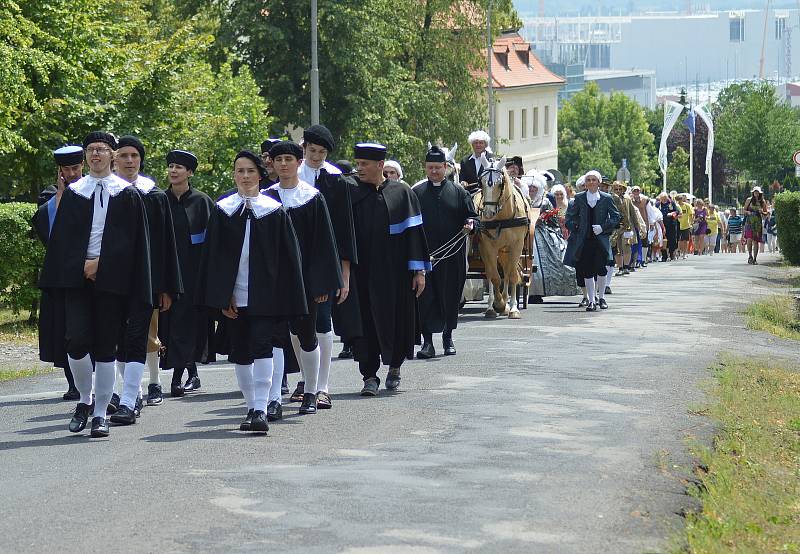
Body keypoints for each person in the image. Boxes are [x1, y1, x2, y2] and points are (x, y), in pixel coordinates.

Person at [39, 131, 152, 438]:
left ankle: (101, 413)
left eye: (101, 149)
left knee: (105, 347)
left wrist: (101, 265)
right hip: (78, 279)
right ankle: (85, 400)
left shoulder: (127, 194)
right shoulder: (77, 193)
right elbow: (62, 242)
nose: (96, 154)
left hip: (112, 280)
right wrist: (82, 266)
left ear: (111, 155)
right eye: (91, 150)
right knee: (75, 341)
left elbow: (133, 245)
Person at [195, 150, 307, 433]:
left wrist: (286, 296)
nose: (244, 176)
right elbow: (214, 258)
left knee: (262, 346)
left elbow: (289, 258)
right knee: (241, 352)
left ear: (260, 175)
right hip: (235, 294)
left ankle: (261, 408)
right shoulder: (223, 210)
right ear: (234, 175)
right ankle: (250, 407)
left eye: (249, 171)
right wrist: (223, 294)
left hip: (267, 296)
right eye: (239, 171)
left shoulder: (274, 211)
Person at [338, 143, 429, 395]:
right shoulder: (351, 192)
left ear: (380, 165)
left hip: (396, 274)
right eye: (357, 163)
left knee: (398, 321)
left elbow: (414, 235)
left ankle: (395, 366)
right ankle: (369, 376)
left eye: (364, 164)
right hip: (362, 273)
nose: (359, 169)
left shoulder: (402, 193)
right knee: (363, 324)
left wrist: (419, 272)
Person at [263, 141, 342, 415]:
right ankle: (272, 398)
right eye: (278, 159)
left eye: (289, 158)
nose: (283, 164)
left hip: (305, 282)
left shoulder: (312, 197)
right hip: (272, 281)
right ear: (271, 164)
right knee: (274, 338)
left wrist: (322, 284)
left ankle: (311, 390)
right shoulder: (265, 198)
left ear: (299, 162)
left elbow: (324, 245)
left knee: (306, 336)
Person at [109, 136, 183, 424]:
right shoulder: (108, 193)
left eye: (134, 156)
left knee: (139, 336)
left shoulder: (153, 195)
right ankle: (130, 391)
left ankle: (133, 396)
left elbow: (166, 243)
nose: (129, 160)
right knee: (115, 338)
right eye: (124, 155)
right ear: (115, 160)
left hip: (146, 279)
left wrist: (166, 286)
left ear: (141, 160)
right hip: (112, 280)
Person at [291, 124, 358, 411]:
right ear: (304, 149)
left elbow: (345, 231)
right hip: (294, 262)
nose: (317, 156)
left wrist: (345, 273)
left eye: (322, 152)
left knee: (323, 322)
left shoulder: (336, 181)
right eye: (313, 151)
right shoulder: (292, 176)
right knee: (295, 324)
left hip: (326, 262)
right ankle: (306, 379)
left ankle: (323, 386)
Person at [158, 150, 215, 396]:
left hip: (195, 276)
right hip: (168, 274)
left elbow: (213, 242)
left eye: (179, 167)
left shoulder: (202, 202)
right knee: (170, 325)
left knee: (190, 325)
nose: (173, 171)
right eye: (171, 166)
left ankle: (179, 377)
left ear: (190, 172)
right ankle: (187, 373)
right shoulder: (159, 200)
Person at [412, 145, 476, 359]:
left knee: (450, 297)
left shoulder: (458, 192)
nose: (434, 172)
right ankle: (427, 343)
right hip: (426, 256)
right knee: (426, 298)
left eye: (438, 168)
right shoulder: (417, 192)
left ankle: (448, 338)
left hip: (452, 256)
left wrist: (470, 224)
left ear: (446, 167)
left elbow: (472, 216)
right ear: (425, 168)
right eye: (430, 168)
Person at [32, 145, 85, 401]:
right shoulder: (51, 199)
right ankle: (72, 382)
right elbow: (51, 235)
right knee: (63, 329)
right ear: (60, 172)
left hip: (89, 273)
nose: (72, 173)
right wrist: (61, 196)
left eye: (76, 168)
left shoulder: (95, 191)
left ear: (83, 166)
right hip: (61, 276)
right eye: (67, 169)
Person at [563, 171, 620, 312]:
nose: (591, 182)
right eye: (588, 180)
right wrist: (576, 227)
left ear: (599, 182)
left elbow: (616, 217)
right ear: (585, 183)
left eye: (594, 180)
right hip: (584, 240)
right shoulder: (579, 197)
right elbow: (570, 218)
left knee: (601, 269)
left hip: (600, 239)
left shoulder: (606, 198)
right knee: (587, 270)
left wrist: (603, 227)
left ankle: (601, 298)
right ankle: (591, 300)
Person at [528, 180, 578, 301]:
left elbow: (554, 222)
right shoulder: (523, 199)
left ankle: (541, 291)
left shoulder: (544, 201)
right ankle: (530, 292)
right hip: (525, 231)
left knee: (557, 258)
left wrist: (543, 219)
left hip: (542, 233)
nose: (532, 189)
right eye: (530, 187)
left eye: (534, 187)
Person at [743, 186, 768, 264]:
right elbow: (744, 210)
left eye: (757, 192)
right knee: (749, 239)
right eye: (755, 192)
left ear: (760, 193)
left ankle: (755, 258)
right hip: (749, 222)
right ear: (753, 193)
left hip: (757, 223)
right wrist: (748, 212)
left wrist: (762, 212)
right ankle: (750, 256)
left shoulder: (762, 201)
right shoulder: (749, 200)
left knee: (756, 241)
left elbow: (766, 213)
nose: (756, 193)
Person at [656, 192, 680, 260]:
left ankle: (671, 253)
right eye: (662, 198)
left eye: (665, 198)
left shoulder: (671, 203)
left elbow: (677, 211)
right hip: (662, 224)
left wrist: (672, 213)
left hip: (671, 224)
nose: (664, 200)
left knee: (672, 239)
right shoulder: (658, 204)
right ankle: (664, 255)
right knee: (663, 239)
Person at [676, 194, 694, 259]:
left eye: (680, 199)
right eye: (678, 200)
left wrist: (691, 224)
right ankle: (678, 252)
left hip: (686, 225)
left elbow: (691, 215)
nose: (679, 201)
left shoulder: (687, 206)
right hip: (677, 225)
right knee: (678, 240)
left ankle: (684, 253)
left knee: (685, 240)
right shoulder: (676, 206)